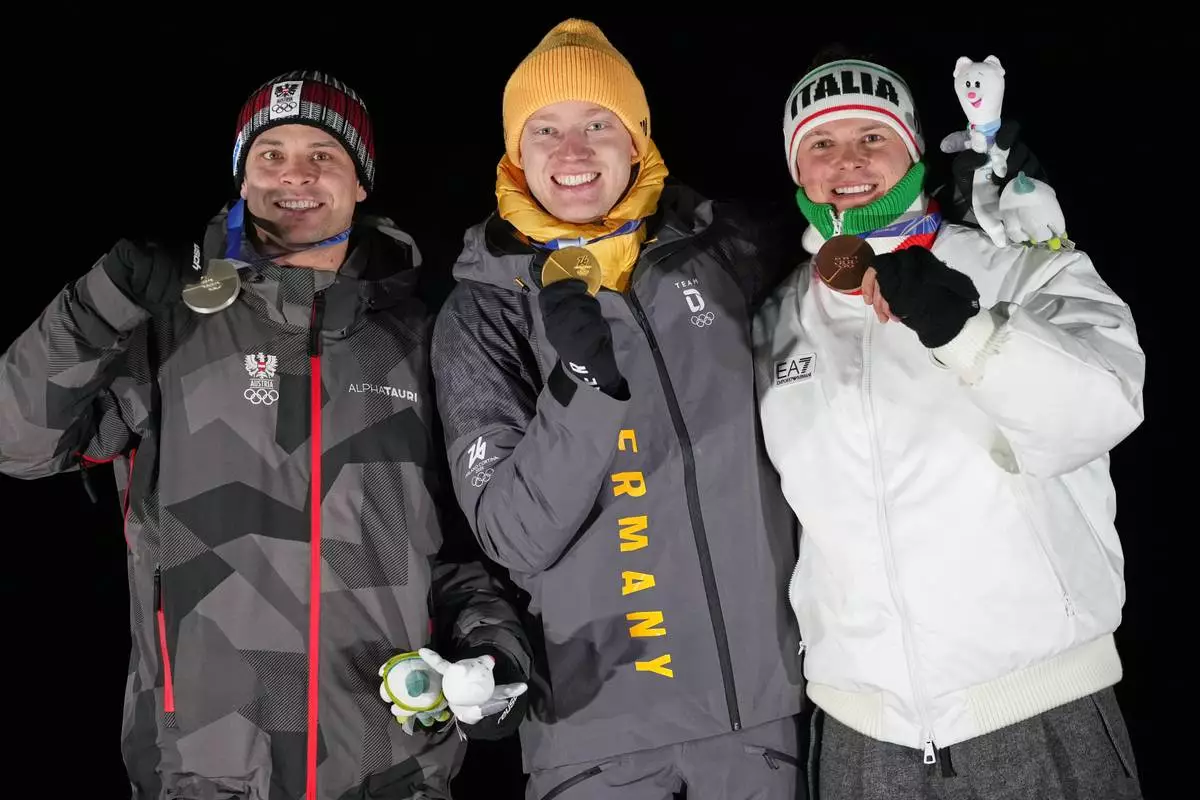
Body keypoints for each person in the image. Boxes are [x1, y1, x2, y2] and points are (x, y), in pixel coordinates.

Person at [0, 70, 530, 800]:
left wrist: (493, 652)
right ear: (242, 178)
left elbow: (455, 549)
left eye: (323, 154)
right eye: (270, 154)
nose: (295, 175)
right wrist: (94, 309)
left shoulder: (417, 339)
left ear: (361, 182)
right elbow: (18, 444)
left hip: (391, 774)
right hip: (204, 774)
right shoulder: (170, 325)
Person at [430, 18, 808, 800]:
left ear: (636, 138)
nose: (572, 152)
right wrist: (581, 387)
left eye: (598, 124)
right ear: (516, 153)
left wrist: (976, 199)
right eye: (546, 129)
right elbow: (511, 535)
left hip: (759, 723)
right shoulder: (482, 310)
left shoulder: (723, 249)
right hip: (595, 745)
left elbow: (854, 224)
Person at [753, 52, 1146, 799]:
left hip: (1039, 711)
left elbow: (1105, 405)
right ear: (796, 166)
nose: (848, 163)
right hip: (861, 740)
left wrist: (967, 330)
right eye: (821, 144)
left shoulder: (1015, 265)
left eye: (873, 137)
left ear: (912, 146)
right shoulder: (776, 322)